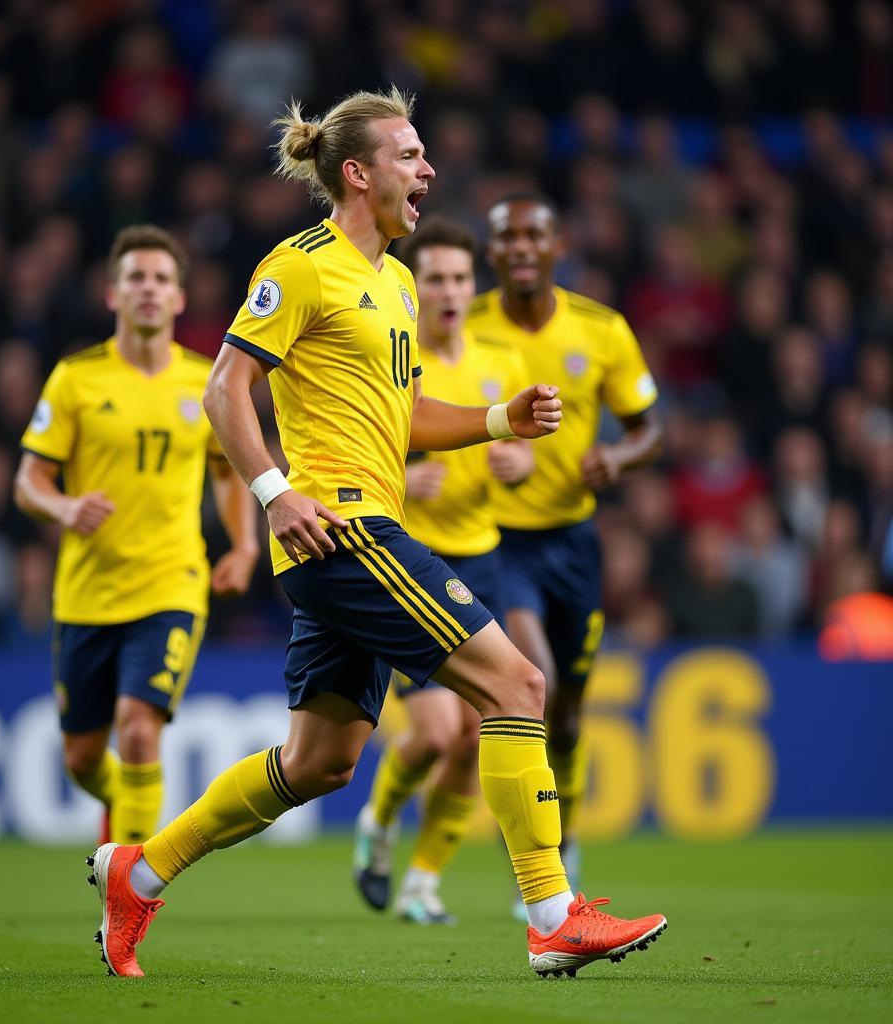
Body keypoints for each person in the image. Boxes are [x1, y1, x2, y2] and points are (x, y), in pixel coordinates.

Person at [85, 88, 665, 981]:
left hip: (353, 527)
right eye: (410, 154)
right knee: (516, 683)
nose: (428, 169)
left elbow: (402, 417)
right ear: (357, 173)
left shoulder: (393, 282)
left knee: (316, 764)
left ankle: (140, 869)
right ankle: (554, 914)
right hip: (343, 527)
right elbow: (223, 390)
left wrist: (500, 419)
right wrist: (275, 493)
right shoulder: (302, 265)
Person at [15, 224, 259, 847]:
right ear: (112, 295)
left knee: (140, 728)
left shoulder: (206, 384)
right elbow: (28, 483)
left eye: (160, 279)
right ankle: (126, 801)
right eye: (136, 278)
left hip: (170, 581)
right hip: (86, 592)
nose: (148, 289)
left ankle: (124, 890)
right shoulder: (76, 378)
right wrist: (63, 508)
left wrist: (243, 544)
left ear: (179, 299)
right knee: (82, 760)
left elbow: (227, 470)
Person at [468, 195, 663, 894]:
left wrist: (620, 459)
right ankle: (539, 868)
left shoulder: (602, 330)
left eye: (534, 235)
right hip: (497, 541)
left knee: (572, 715)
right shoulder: (465, 326)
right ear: (491, 254)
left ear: (559, 246)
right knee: (536, 684)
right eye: (507, 237)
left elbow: (649, 428)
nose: (521, 247)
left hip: (573, 543)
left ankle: (566, 832)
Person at [351, 215, 531, 924]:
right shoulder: (392, 358)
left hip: (481, 557)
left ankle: (424, 881)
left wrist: (520, 463)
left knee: (479, 726)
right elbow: (360, 440)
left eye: (461, 277)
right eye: (437, 279)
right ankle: (380, 820)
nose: (451, 290)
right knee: (433, 732)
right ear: (414, 288)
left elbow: (521, 449)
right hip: (406, 559)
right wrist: (405, 472)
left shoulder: (499, 360)